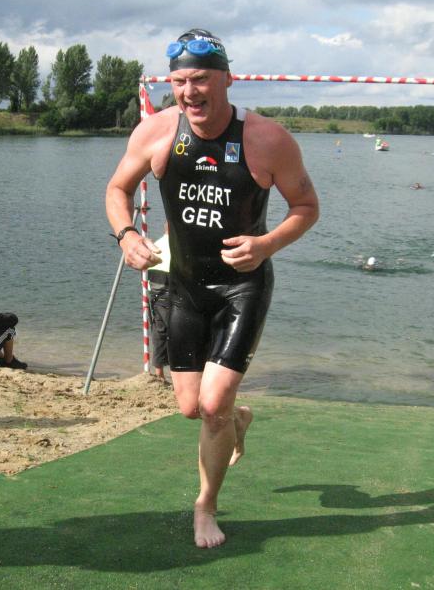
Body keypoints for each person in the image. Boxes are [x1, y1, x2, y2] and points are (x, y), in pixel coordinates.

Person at [105, 28, 319, 549]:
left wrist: (267, 244)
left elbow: (306, 207)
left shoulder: (268, 139)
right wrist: (127, 234)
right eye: (179, 82)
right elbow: (117, 189)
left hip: (241, 288)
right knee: (191, 407)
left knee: (213, 404)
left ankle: (205, 505)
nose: (189, 92)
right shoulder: (156, 132)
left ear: (227, 79)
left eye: (200, 79)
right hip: (183, 287)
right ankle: (236, 418)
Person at [148, 231, 171, 379]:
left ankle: (159, 373)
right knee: (179, 335)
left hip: (155, 293)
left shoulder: (156, 245)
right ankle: (178, 375)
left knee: (159, 332)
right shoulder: (178, 245)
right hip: (172, 293)